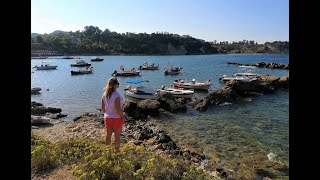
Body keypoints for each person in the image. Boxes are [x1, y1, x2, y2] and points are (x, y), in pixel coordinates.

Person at [101, 77, 124, 152]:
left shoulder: (104, 94)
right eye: (118, 83)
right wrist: (122, 116)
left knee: (108, 135)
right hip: (116, 118)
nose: (119, 84)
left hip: (107, 117)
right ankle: (117, 152)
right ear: (115, 85)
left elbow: (103, 108)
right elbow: (117, 108)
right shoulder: (116, 95)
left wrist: (107, 114)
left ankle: (108, 151)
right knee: (117, 136)